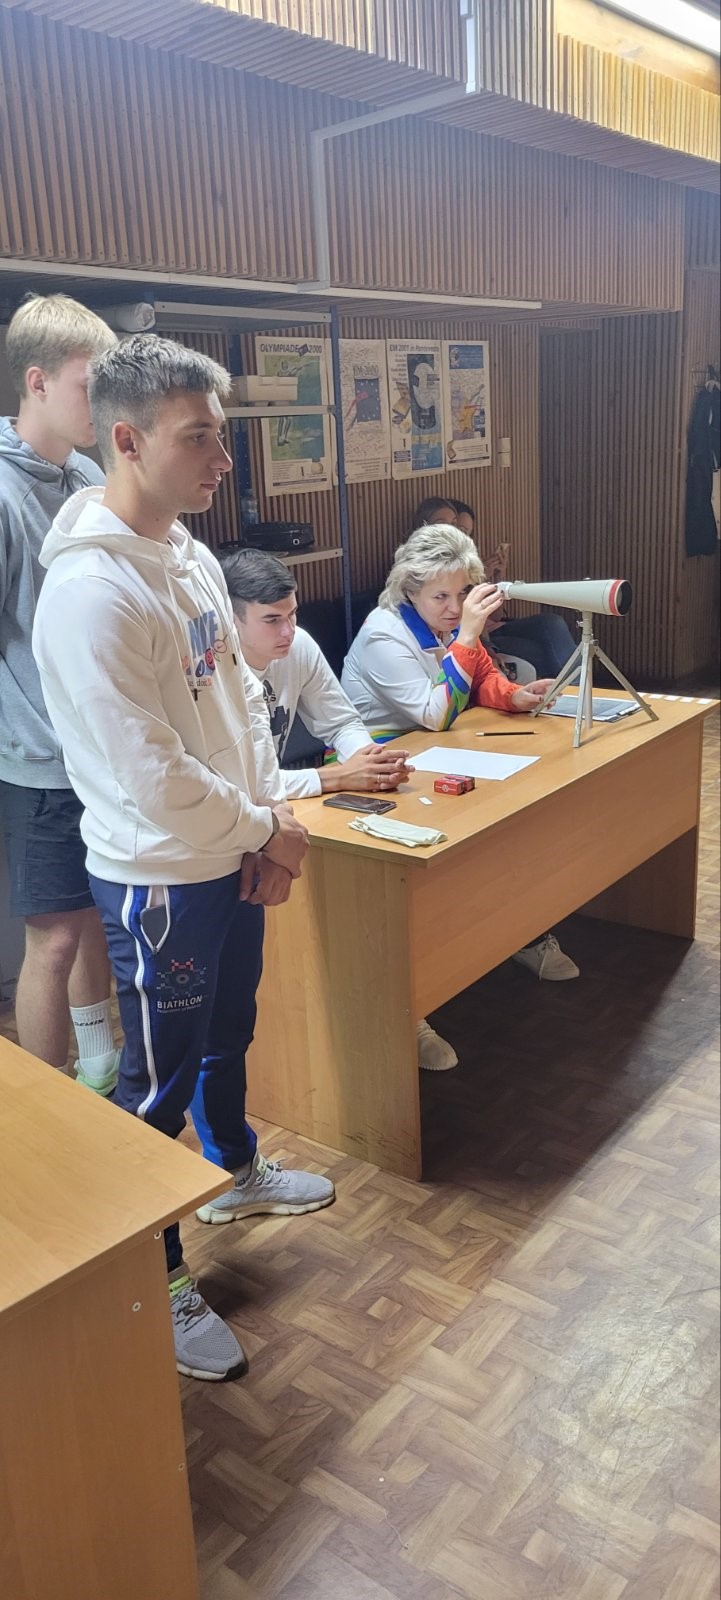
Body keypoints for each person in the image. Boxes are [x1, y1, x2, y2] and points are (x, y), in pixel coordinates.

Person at [32, 335, 334, 1383]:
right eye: (199, 436)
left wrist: (267, 815)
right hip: (162, 874)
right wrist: (267, 832)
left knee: (227, 1031)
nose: (224, 458)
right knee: (153, 1084)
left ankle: (235, 1168)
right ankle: (153, 1274)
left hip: (231, 848)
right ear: (126, 440)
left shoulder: (191, 553)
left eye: (222, 433)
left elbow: (239, 702)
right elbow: (152, 776)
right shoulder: (91, 593)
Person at [341, 523, 580, 1067]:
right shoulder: (384, 634)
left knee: (517, 818)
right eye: (440, 597)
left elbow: (481, 677)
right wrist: (468, 636)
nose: (453, 608)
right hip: (379, 763)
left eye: (462, 594)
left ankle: (520, 933)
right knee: (425, 876)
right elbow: (436, 713)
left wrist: (514, 696)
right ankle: (408, 1006)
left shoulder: (450, 626)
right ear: (410, 592)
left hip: (440, 753)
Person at [0, 292, 122, 1093]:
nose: (101, 407)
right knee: (52, 940)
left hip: (98, 746)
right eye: (88, 387)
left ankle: (100, 1072)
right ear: (37, 382)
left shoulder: (85, 473)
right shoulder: (3, 493)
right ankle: (48, 1114)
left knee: (94, 922)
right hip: (40, 758)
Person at [218, 547, 411, 798]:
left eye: (292, 614)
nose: (288, 631)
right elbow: (240, 785)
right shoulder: (213, 672)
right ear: (232, 619)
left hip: (278, 802)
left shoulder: (298, 645)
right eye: (272, 620)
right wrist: (338, 777)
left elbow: (341, 723)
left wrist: (374, 764)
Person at [450, 499, 579, 680]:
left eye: (466, 533)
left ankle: (580, 688)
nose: (461, 537)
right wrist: (478, 580)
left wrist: (497, 577)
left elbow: (495, 616)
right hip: (483, 637)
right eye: (457, 529)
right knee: (545, 652)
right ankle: (578, 689)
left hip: (497, 627)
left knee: (552, 622)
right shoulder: (448, 572)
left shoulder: (472, 561)